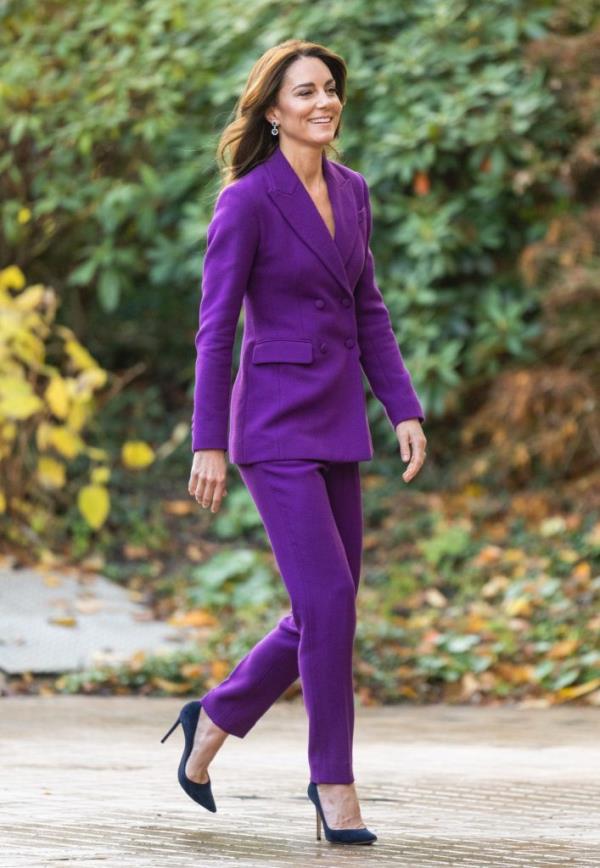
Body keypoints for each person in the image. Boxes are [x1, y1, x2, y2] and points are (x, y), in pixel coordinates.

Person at [175, 38, 426, 844]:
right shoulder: (247, 201)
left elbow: (369, 309)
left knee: (330, 603)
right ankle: (333, 784)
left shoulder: (352, 192)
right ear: (274, 110)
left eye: (330, 90)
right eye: (305, 92)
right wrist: (207, 440)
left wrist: (404, 407)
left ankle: (213, 718)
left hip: (339, 418)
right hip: (273, 426)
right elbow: (215, 334)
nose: (323, 103)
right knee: (327, 600)